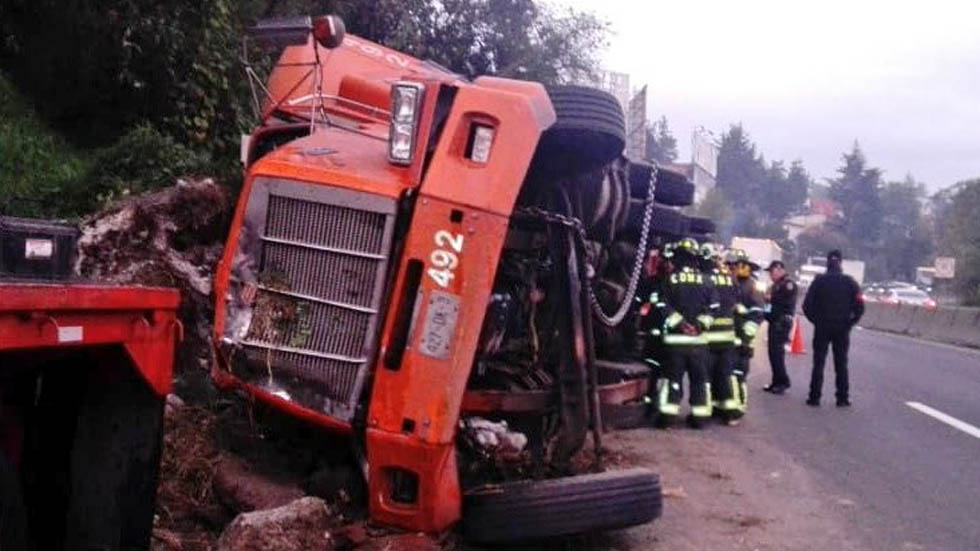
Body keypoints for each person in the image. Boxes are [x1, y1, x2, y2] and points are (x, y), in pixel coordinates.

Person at [653, 238, 715, 429]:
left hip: (675, 343)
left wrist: (680, 324)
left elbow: (661, 304)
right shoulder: (706, 281)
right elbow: (714, 308)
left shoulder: (669, 279)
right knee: (700, 381)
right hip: (699, 343)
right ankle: (700, 418)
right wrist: (697, 326)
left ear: (678, 258)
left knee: (673, 380)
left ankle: (668, 418)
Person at [802, 249, 864, 407]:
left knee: (819, 362)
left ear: (827, 261)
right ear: (841, 262)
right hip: (842, 328)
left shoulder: (819, 281)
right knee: (841, 363)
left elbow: (806, 305)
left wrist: (816, 320)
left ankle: (814, 397)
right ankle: (842, 397)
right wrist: (850, 323)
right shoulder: (850, 282)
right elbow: (860, 306)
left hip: (822, 326)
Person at [699, 243, 740, 425]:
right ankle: (729, 412)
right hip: (727, 337)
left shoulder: (703, 280)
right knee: (726, 375)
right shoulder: (730, 279)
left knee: (705, 376)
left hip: (708, 336)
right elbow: (735, 303)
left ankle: (705, 413)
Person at [726, 249, 765, 418]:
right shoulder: (728, 283)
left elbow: (756, 316)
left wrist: (746, 338)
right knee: (724, 374)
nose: (730, 269)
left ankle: (737, 410)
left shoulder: (751, 287)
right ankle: (724, 407)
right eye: (729, 265)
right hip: (726, 338)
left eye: (734, 266)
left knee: (738, 375)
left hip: (741, 341)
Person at [763, 260, 797, 394]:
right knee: (773, 353)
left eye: (772, 272)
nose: (770, 275)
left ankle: (782, 382)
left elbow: (784, 301)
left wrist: (771, 298)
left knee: (777, 353)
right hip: (773, 321)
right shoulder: (774, 285)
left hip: (781, 322)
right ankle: (776, 381)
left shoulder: (788, 284)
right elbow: (769, 303)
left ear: (779, 269)